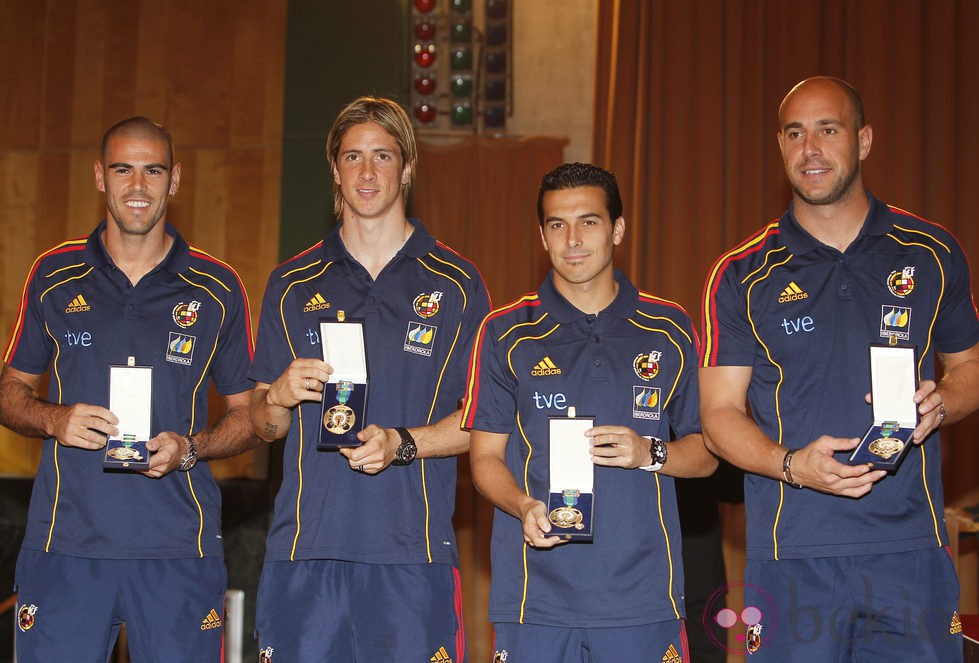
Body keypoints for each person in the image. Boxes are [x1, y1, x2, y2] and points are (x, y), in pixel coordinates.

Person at [700, 76, 979, 661]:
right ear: (780, 146)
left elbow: (970, 366)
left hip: (912, 550)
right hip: (791, 553)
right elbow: (719, 414)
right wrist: (792, 464)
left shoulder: (931, 252)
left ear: (864, 140)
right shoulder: (741, 274)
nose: (811, 149)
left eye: (829, 129)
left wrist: (943, 403)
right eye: (796, 133)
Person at [0, 117, 257, 662]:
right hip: (65, 547)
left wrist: (193, 448)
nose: (138, 186)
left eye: (153, 170)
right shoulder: (53, 274)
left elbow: (250, 416)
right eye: (123, 169)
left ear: (175, 179)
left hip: (178, 550)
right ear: (99, 176)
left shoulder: (217, 287)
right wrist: (55, 419)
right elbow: (10, 391)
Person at [249, 96, 490, 662]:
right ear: (334, 168)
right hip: (305, 553)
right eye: (352, 156)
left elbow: (486, 422)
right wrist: (278, 397)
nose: (366, 172)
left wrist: (403, 444)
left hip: (414, 555)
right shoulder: (291, 282)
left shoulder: (457, 284)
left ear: (407, 168)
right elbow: (262, 425)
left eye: (382, 156)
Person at [463, 162, 717, 663]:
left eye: (589, 221)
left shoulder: (669, 327)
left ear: (617, 228)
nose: (573, 239)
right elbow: (484, 459)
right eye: (557, 224)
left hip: (644, 600)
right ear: (542, 236)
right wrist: (522, 505)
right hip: (534, 602)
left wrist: (650, 452)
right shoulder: (504, 333)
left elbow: (708, 454)